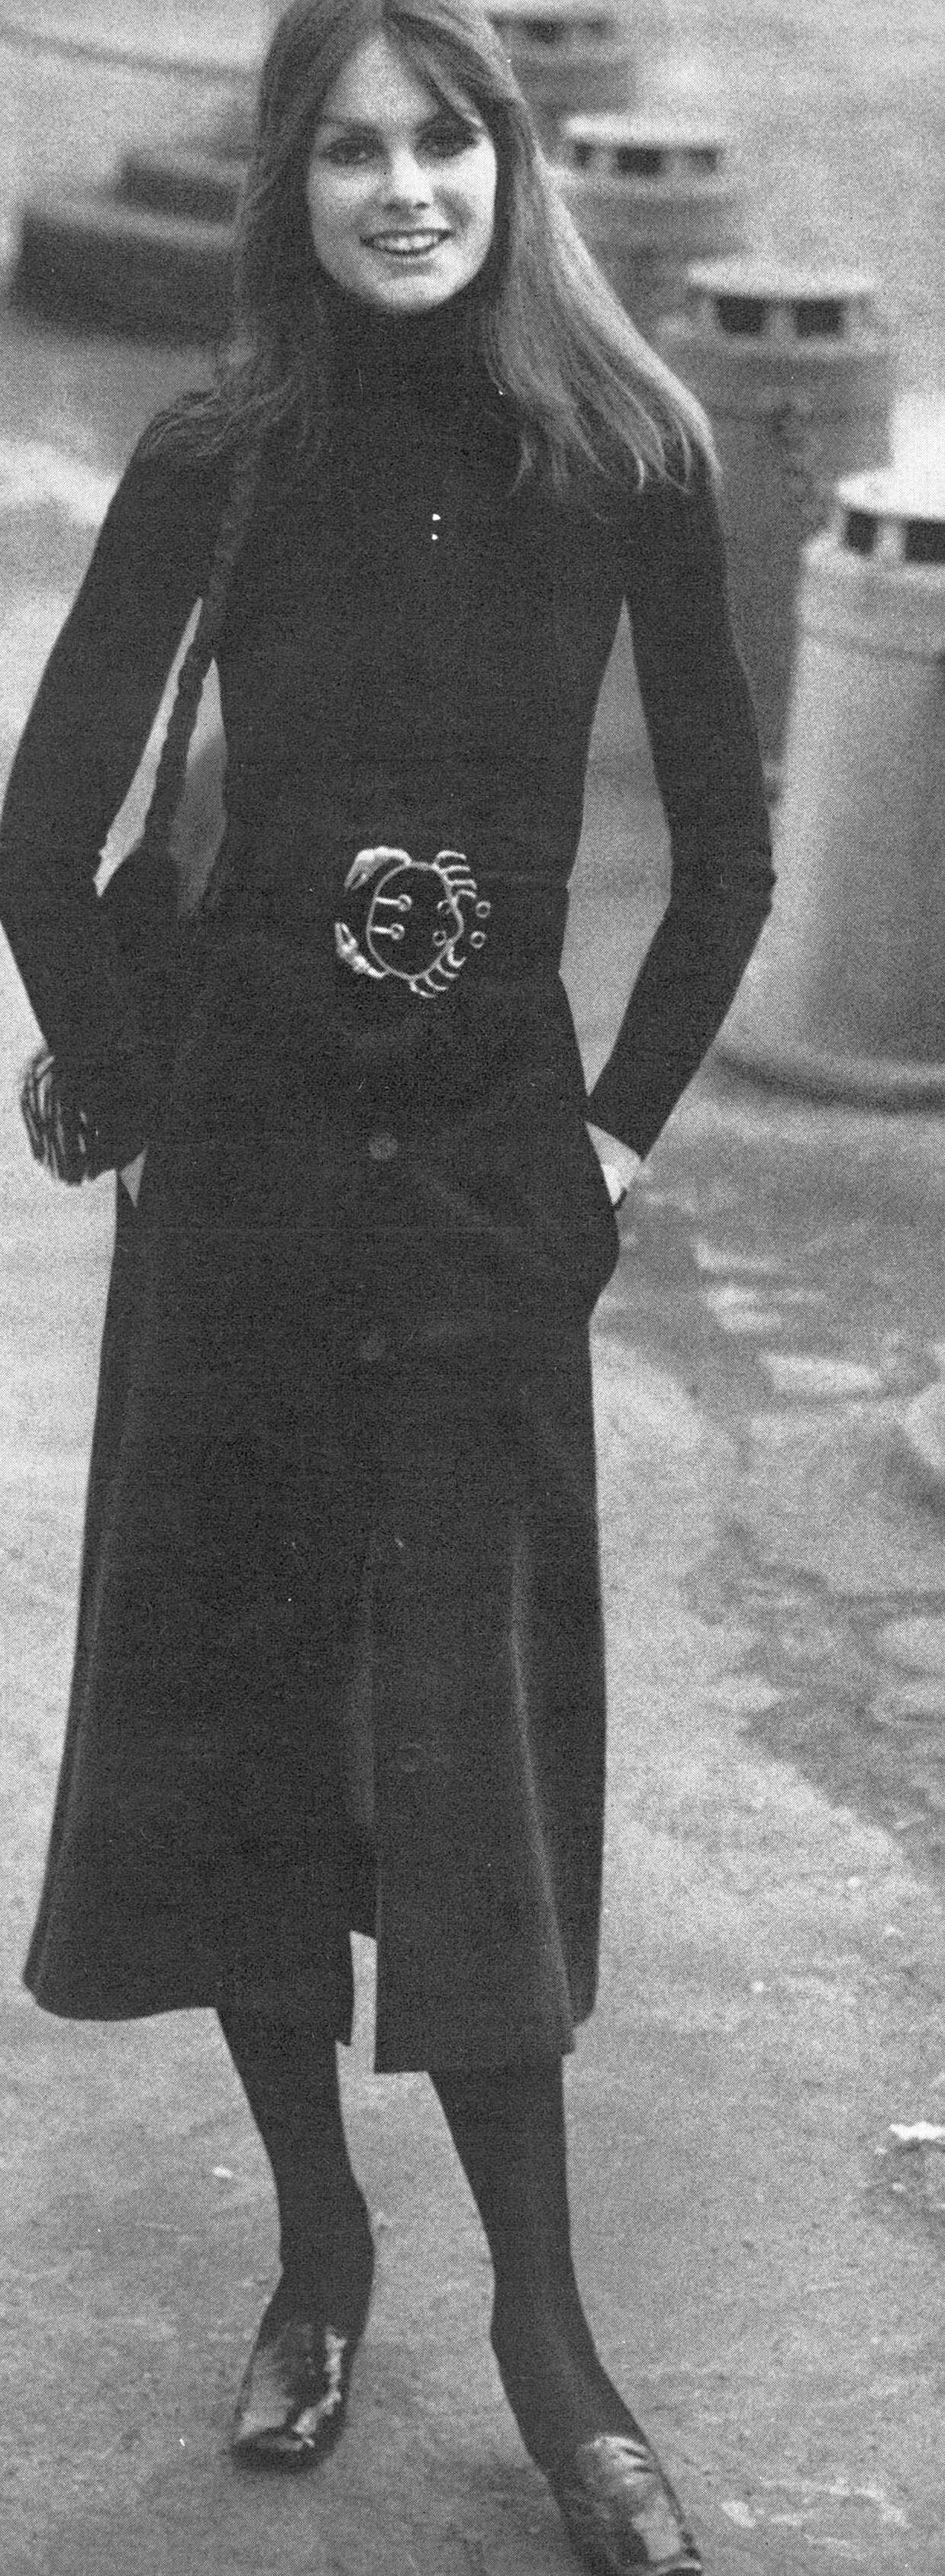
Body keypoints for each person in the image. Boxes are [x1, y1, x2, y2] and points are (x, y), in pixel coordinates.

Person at [0, 3, 774, 2567]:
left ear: (507, 163)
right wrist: (143, 1084)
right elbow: (36, 830)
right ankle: (319, 2249)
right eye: (349, 151)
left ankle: (551, 2345)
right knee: (246, 1723)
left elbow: (732, 855)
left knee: (465, 1760)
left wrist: (609, 1141)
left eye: (442, 139)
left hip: (478, 1203)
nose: (403, 187)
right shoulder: (221, 457)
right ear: (292, 189)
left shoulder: (626, 453)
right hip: (245, 1191)